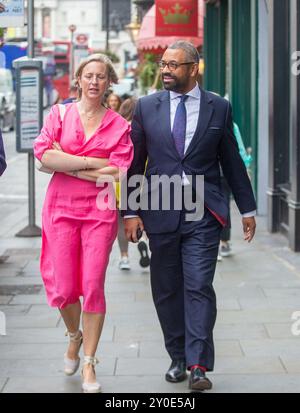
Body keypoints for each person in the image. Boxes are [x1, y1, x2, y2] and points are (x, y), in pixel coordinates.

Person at [123, 41, 256, 391]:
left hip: (204, 212)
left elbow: (231, 160)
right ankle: (177, 356)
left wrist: (248, 208)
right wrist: (130, 211)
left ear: (193, 69)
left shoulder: (219, 107)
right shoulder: (146, 108)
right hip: (160, 209)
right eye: (163, 64)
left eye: (173, 65)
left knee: (199, 285)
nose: (166, 70)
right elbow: (134, 164)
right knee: (167, 289)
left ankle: (198, 364)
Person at [33, 54, 133, 393]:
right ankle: (74, 335)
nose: (94, 82)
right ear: (78, 79)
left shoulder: (119, 125)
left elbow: (118, 169)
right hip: (60, 208)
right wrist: (92, 163)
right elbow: (44, 154)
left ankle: (89, 362)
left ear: (109, 82)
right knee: (63, 287)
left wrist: (69, 164)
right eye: (88, 75)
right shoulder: (59, 113)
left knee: (92, 285)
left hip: (99, 211)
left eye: (101, 77)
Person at [117, 98, 150, 270]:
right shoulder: (146, 128)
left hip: (118, 182)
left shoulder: (119, 129)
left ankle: (124, 257)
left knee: (121, 221)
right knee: (143, 217)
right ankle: (143, 239)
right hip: (143, 180)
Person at [218, 119, 253, 260]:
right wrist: (245, 168)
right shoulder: (230, 123)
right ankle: (224, 243)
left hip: (204, 174)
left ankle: (214, 246)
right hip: (224, 171)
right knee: (223, 206)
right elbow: (239, 148)